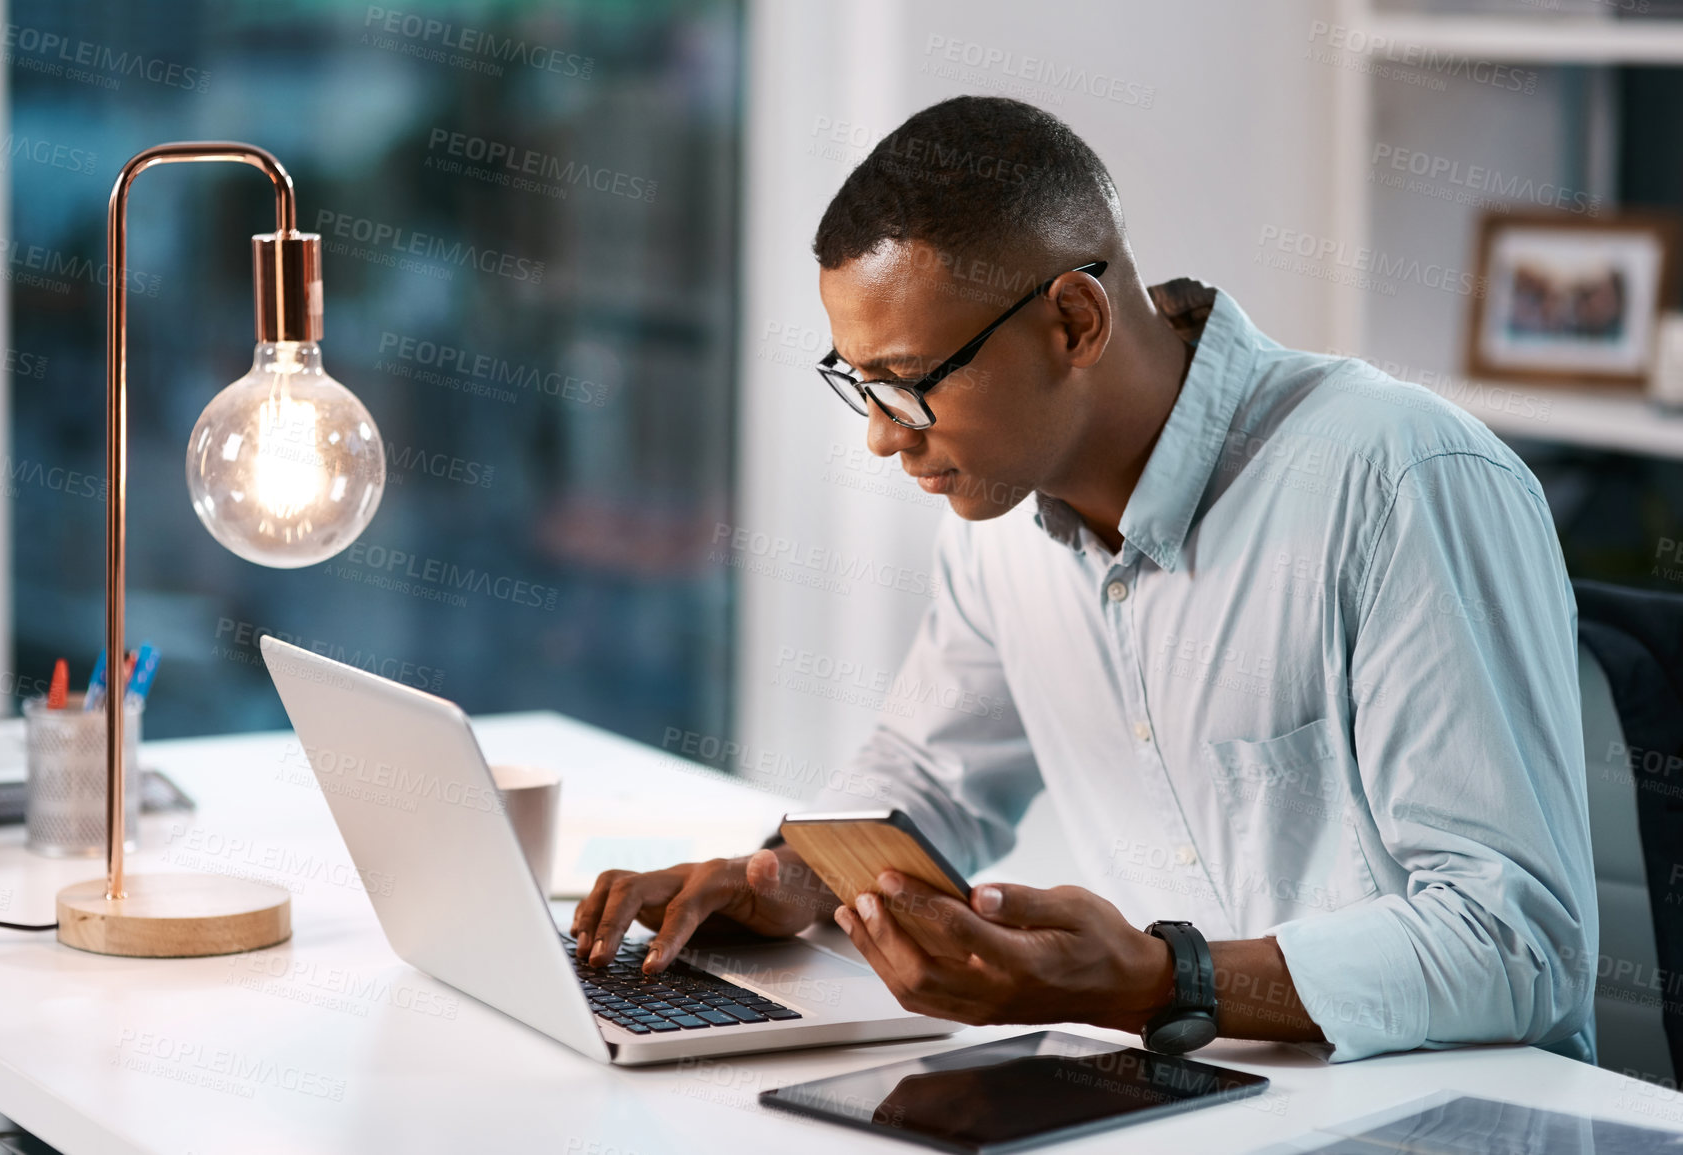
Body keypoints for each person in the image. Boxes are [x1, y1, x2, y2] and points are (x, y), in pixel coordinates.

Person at [571, 95, 1597, 1063]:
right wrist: (786, 878)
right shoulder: (998, 513)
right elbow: (932, 779)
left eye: (910, 386)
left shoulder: (1398, 481)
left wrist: (1161, 981)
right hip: (1188, 1102)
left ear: (1073, 322)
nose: (885, 439)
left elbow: (1519, 944)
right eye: (862, 386)